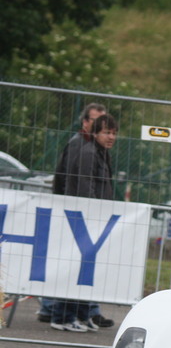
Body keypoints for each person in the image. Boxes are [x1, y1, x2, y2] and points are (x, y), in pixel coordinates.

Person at [40, 103, 109, 325]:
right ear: (85, 122)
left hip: (78, 209)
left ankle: (85, 309)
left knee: (80, 261)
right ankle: (56, 309)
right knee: (70, 261)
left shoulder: (96, 147)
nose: (101, 127)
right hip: (73, 210)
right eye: (96, 121)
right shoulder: (80, 145)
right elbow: (71, 180)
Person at [50, 114, 120, 332]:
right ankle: (63, 316)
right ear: (95, 133)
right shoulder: (89, 153)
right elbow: (85, 186)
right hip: (84, 219)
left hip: (92, 219)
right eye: (106, 132)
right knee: (74, 268)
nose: (111, 137)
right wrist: (94, 214)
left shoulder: (101, 153)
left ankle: (82, 314)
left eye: (114, 133)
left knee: (86, 270)